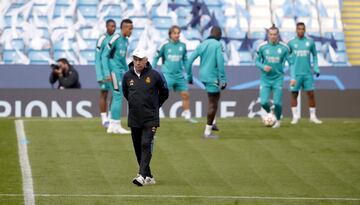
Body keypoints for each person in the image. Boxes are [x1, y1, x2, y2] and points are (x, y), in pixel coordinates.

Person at [122, 48, 169, 186]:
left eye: (140, 60)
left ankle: (141, 176)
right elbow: (126, 94)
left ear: (146, 60)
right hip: (134, 117)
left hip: (151, 118)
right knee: (137, 147)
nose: (137, 62)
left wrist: (155, 106)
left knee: (145, 143)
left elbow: (165, 93)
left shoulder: (155, 75)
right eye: (135, 59)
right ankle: (148, 175)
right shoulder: (127, 76)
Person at [187, 26, 227, 139]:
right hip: (212, 77)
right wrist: (223, 79)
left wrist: (189, 76)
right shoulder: (218, 45)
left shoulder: (202, 44)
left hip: (203, 76)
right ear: (219, 35)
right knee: (213, 103)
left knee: (213, 99)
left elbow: (189, 61)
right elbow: (220, 62)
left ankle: (213, 122)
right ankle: (207, 132)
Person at [152, 25, 197, 123]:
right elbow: (156, 57)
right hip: (167, 75)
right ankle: (153, 114)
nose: (177, 35)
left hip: (179, 76)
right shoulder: (164, 45)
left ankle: (187, 116)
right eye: (175, 33)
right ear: (170, 34)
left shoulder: (182, 45)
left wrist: (189, 74)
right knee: (160, 95)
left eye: (178, 33)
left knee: (185, 94)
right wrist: (151, 70)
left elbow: (185, 60)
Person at [255, 24, 291, 128]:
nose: (273, 36)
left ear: (278, 35)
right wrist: (263, 66)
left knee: (278, 104)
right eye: (271, 34)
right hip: (265, 79)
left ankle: (278, 121)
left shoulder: (284, 48)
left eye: (275, 34)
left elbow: (291, 62)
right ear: (268, 35)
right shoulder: (262, 47)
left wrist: (293, 76)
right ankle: (270, 112)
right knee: (263, 102)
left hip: (278, 79)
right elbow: (256, 61)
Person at [102, 19, 133, 134]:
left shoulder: (126, 41)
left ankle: (111, 125)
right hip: (113, 72)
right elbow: (105, 55)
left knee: (117, 96)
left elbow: (122, 59)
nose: (131, 31)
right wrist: (106, 72)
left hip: (120, 72)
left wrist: (128, 72)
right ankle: (116, 125)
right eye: (130, 28)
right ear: (124, 28)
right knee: (118, 96)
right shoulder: (116, 38)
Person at [288, 22, 322, 124]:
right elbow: (288, 58)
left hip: (307, 74)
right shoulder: (291, 43)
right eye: (299, 29)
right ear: (296, 30)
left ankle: (313, 116)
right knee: (294, 94)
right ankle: (295, 117)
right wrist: (291, 73)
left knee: (311, 94)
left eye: (303, 29)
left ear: (305, 30)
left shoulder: (310, 42)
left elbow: (315, 55)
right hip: (296, 74)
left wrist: (316, 67)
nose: (301, 31)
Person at [95, 19, 116, 128]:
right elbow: (97, 58)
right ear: (106, 27)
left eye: (114, 26)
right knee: (104, 93)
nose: (113, 28)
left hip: (113, 71)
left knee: (115, 94)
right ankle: (104, 119)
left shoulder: (116, 38)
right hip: (104, 72)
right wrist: (99, 74)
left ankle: (111, 117)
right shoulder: (102, 39)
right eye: (111, 26)